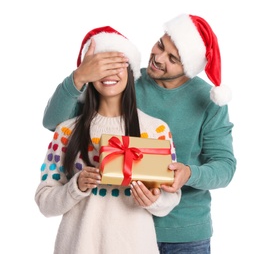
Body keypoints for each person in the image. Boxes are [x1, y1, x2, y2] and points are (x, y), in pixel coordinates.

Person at [42, 14, 237, 254]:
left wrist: (188, 173)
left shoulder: (207, 102)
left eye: (172, 58)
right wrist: (79, 77)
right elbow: (57, 123)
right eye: (160, 45)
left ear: (188, 67)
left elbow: (225, 166)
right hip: (120, 229)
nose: (157, 57)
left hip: (182, 231)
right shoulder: (124, 80)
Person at [35, 26, 181, 254]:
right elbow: (44, 201)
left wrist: (154, 200)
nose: (109, 72)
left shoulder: (157, 130)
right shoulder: (65, 131)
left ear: (131, 70)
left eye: (118, 63)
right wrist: (76, 186)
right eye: (101, 65)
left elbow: (171, 197)